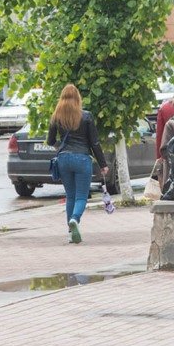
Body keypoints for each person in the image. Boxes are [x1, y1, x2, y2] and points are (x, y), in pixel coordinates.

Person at [47, 84, 108, 244]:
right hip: (82, 159)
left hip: (63, 159)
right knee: (81, 196)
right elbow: (94, 143)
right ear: (78, 98)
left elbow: (50, 140)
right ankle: (75, 219)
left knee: (71, 196)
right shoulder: (86, 116)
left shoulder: (56, 117)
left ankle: (70, 232)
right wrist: (103, 164)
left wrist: (62, 147)